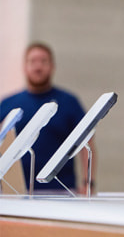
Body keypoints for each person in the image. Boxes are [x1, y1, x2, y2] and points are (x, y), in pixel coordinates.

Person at [0, 43, 89, 193]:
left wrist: (89, 182)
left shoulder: (69, 102)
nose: (38, 67)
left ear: (52, 66)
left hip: (61, 191)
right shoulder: (8, 104)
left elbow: (87, 144)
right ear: (24, 66)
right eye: (33, 61)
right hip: (14, 192)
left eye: (43, 61)